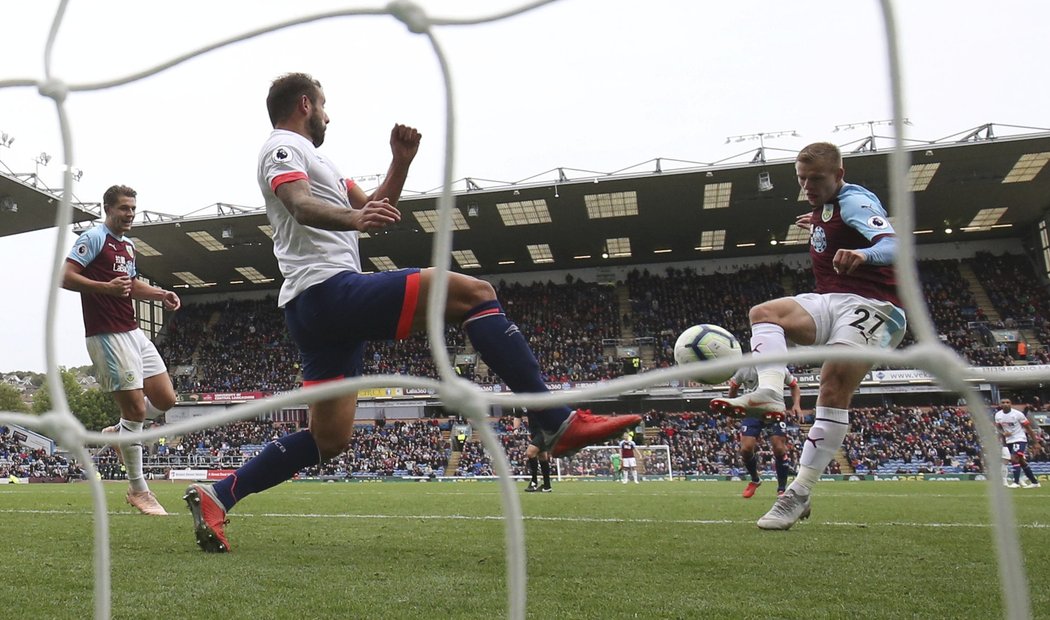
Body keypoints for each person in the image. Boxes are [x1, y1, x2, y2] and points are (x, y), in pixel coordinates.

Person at [184, 73, 639, 552]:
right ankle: (554, 420)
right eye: (324, 105)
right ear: (305, 104)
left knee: (329, 439)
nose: (329, 115)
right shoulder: (280, 148)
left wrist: (399, 163)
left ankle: (219, 495)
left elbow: (376, 207)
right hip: (328, 291)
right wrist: (356, 219)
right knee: (475, 294)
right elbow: (298, 204)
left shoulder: (326, 165)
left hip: (317, 311)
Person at [710, 142, 907, 530]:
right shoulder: (827, 209)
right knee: (763, 314)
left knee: (833, 386)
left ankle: (798, 493)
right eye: (802, 180)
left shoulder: (855, 201)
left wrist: (865, 254)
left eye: (815, 180)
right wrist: (820, 221)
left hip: (875, 306)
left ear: (840, 174)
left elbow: (895, 244)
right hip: (830, 300)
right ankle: (769, 390)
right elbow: (831, 223)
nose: (807, 187)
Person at [62, 185, 181, 515]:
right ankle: (138, 489)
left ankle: (119, 433)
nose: (130, 214)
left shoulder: (127, 246)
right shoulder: (93, 238)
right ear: (108, 209)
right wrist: (104, 287)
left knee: (166, 399)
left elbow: (129, 285)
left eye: (133, 209)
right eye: (124, 208)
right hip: (106, 336)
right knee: (137, 413)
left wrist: (160, 294)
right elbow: (66, 277)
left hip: (133, 332)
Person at [726, 366, 803, 498]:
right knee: (745, 449)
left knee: (779, 448)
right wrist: (730, 412)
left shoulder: (778, 368)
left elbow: (794, 385)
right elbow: (733, 387)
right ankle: (755, 480)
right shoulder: (745, 369)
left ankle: (781, 489)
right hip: (752, 411)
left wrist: (796, 405)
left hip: (774, 409)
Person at [994, 398, 1041, 488]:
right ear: (1000, 404)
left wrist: (1036, 442)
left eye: (1007, 402)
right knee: (1022, 462)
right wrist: (1003, 433)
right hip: (1009, 441)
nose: (1005, 404)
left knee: (1014, 458)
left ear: (1011, 404)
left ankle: (1016, 482)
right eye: (1003, 402)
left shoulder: (1017, 414)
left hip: (1019, 438)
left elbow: (1028, 428)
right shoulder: (998, 415)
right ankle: (1035, 482)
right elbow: (998, 427)